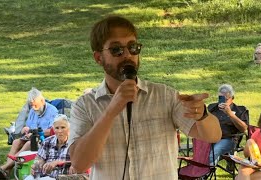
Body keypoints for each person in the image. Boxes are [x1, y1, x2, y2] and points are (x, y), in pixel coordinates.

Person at [68, 15, 222, 179]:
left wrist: (202, 115)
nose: (127, 55)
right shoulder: (85, 105)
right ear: (99, 58)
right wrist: (111, 111)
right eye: (116, 50)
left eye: (133, 47)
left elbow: (213, 136)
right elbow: (79, 164)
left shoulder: (164, 95)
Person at [0, 87, 58, 179]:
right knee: (16, 142)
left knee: (29, 143)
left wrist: (34, 133)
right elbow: (28, 126)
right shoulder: (33, 111)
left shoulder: (52, 111)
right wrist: (25, 129)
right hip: (31, 137)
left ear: (42, 101)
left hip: (44, 140)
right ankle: (7, 172)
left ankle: (3, 168)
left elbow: (52, 131)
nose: (34, 108)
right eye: (32, 106)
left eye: (35, 106)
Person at [25, 114, 82, 180]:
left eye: (63, 127)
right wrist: (36, 166)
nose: (60, 131)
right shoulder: (47, 141)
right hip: (45, 176)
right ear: (53, 130)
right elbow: (40, 159)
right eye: (57, 128)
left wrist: (57, 162)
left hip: (63, 177)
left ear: (69, 129)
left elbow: (81, 162)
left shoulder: (74, 143)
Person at [208, 84, 248, 165]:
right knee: (200, 151)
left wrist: (230, 114)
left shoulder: (240, 110)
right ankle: (204, 170)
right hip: (210, 138)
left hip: (229, 139)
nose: (223, 102)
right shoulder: (212, 108)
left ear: (232, 98)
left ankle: (203, 174)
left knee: (214, 152)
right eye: (221, 98)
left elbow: (243, 128)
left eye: (226, 99)